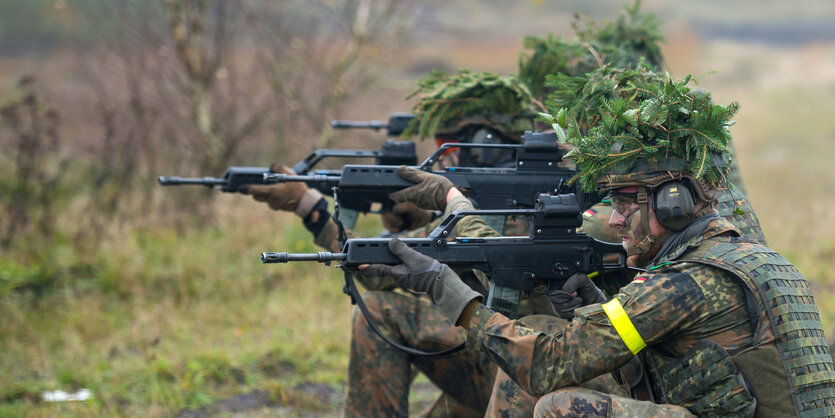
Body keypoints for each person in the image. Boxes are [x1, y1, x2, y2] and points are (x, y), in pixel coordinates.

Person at [364, 73, 835, 416]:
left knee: (560, 406)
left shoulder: (684, 283)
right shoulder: (748, 258)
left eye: (628, 204)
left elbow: (547, 365)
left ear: (671, 204)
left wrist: (446, 290)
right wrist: (594, 305)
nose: (614, 218)